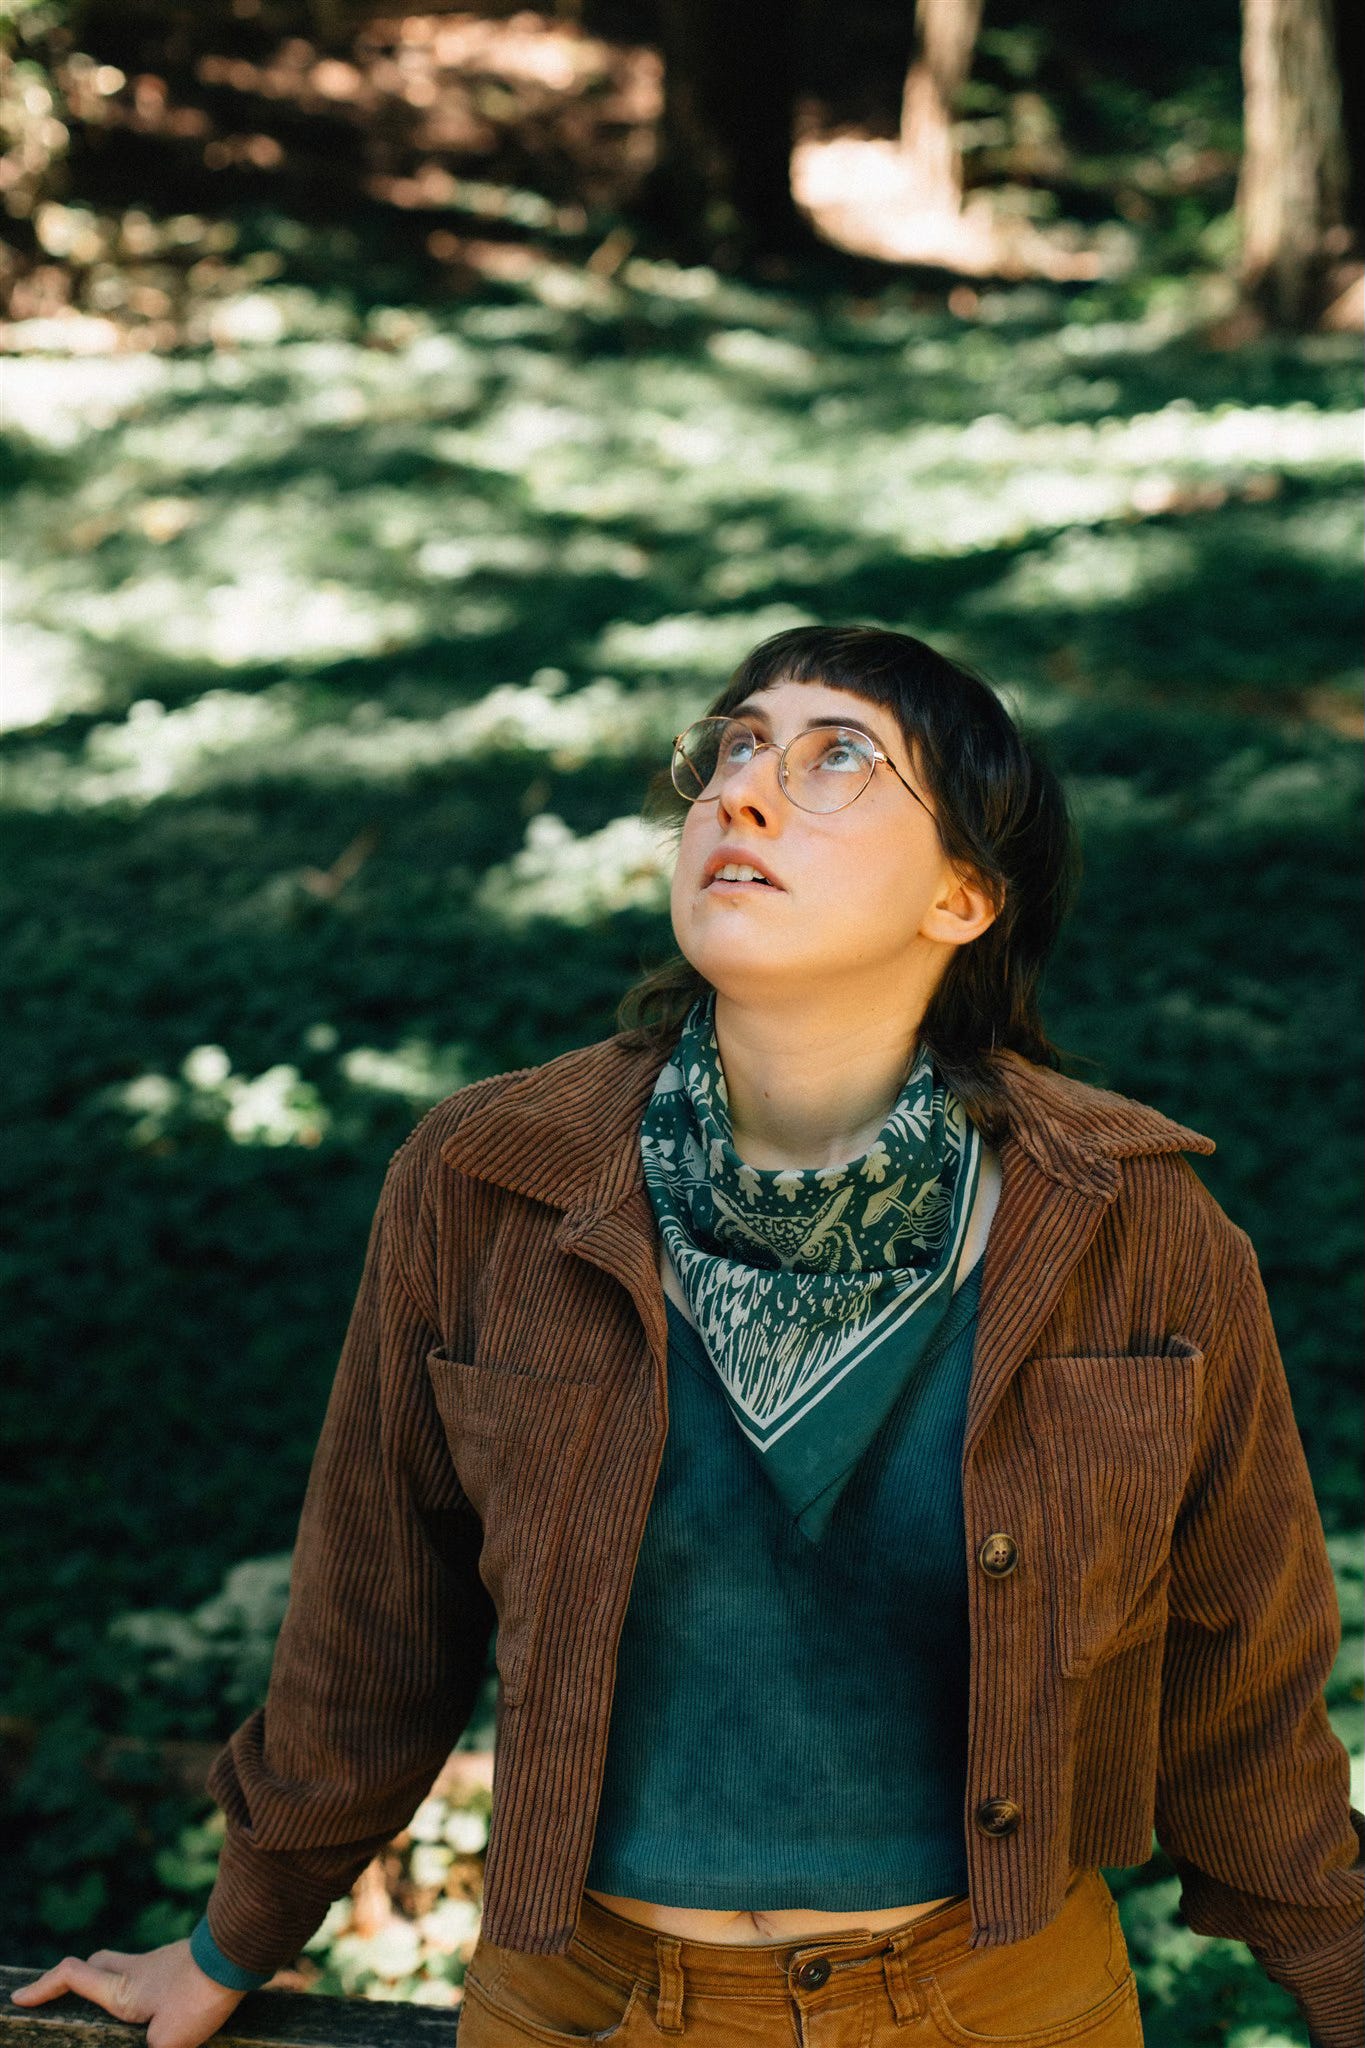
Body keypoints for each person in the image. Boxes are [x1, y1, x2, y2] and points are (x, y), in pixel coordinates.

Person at [12, 626, 1362, 2048]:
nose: (742, 792)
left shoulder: (1128, 1226)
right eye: (733, 748)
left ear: (961, 897)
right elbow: (375, 1619)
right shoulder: (489, 1183)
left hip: (998, 2007)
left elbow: (1242, 1681)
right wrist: (233, 1938)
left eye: (836, 759)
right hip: (579, 2007)